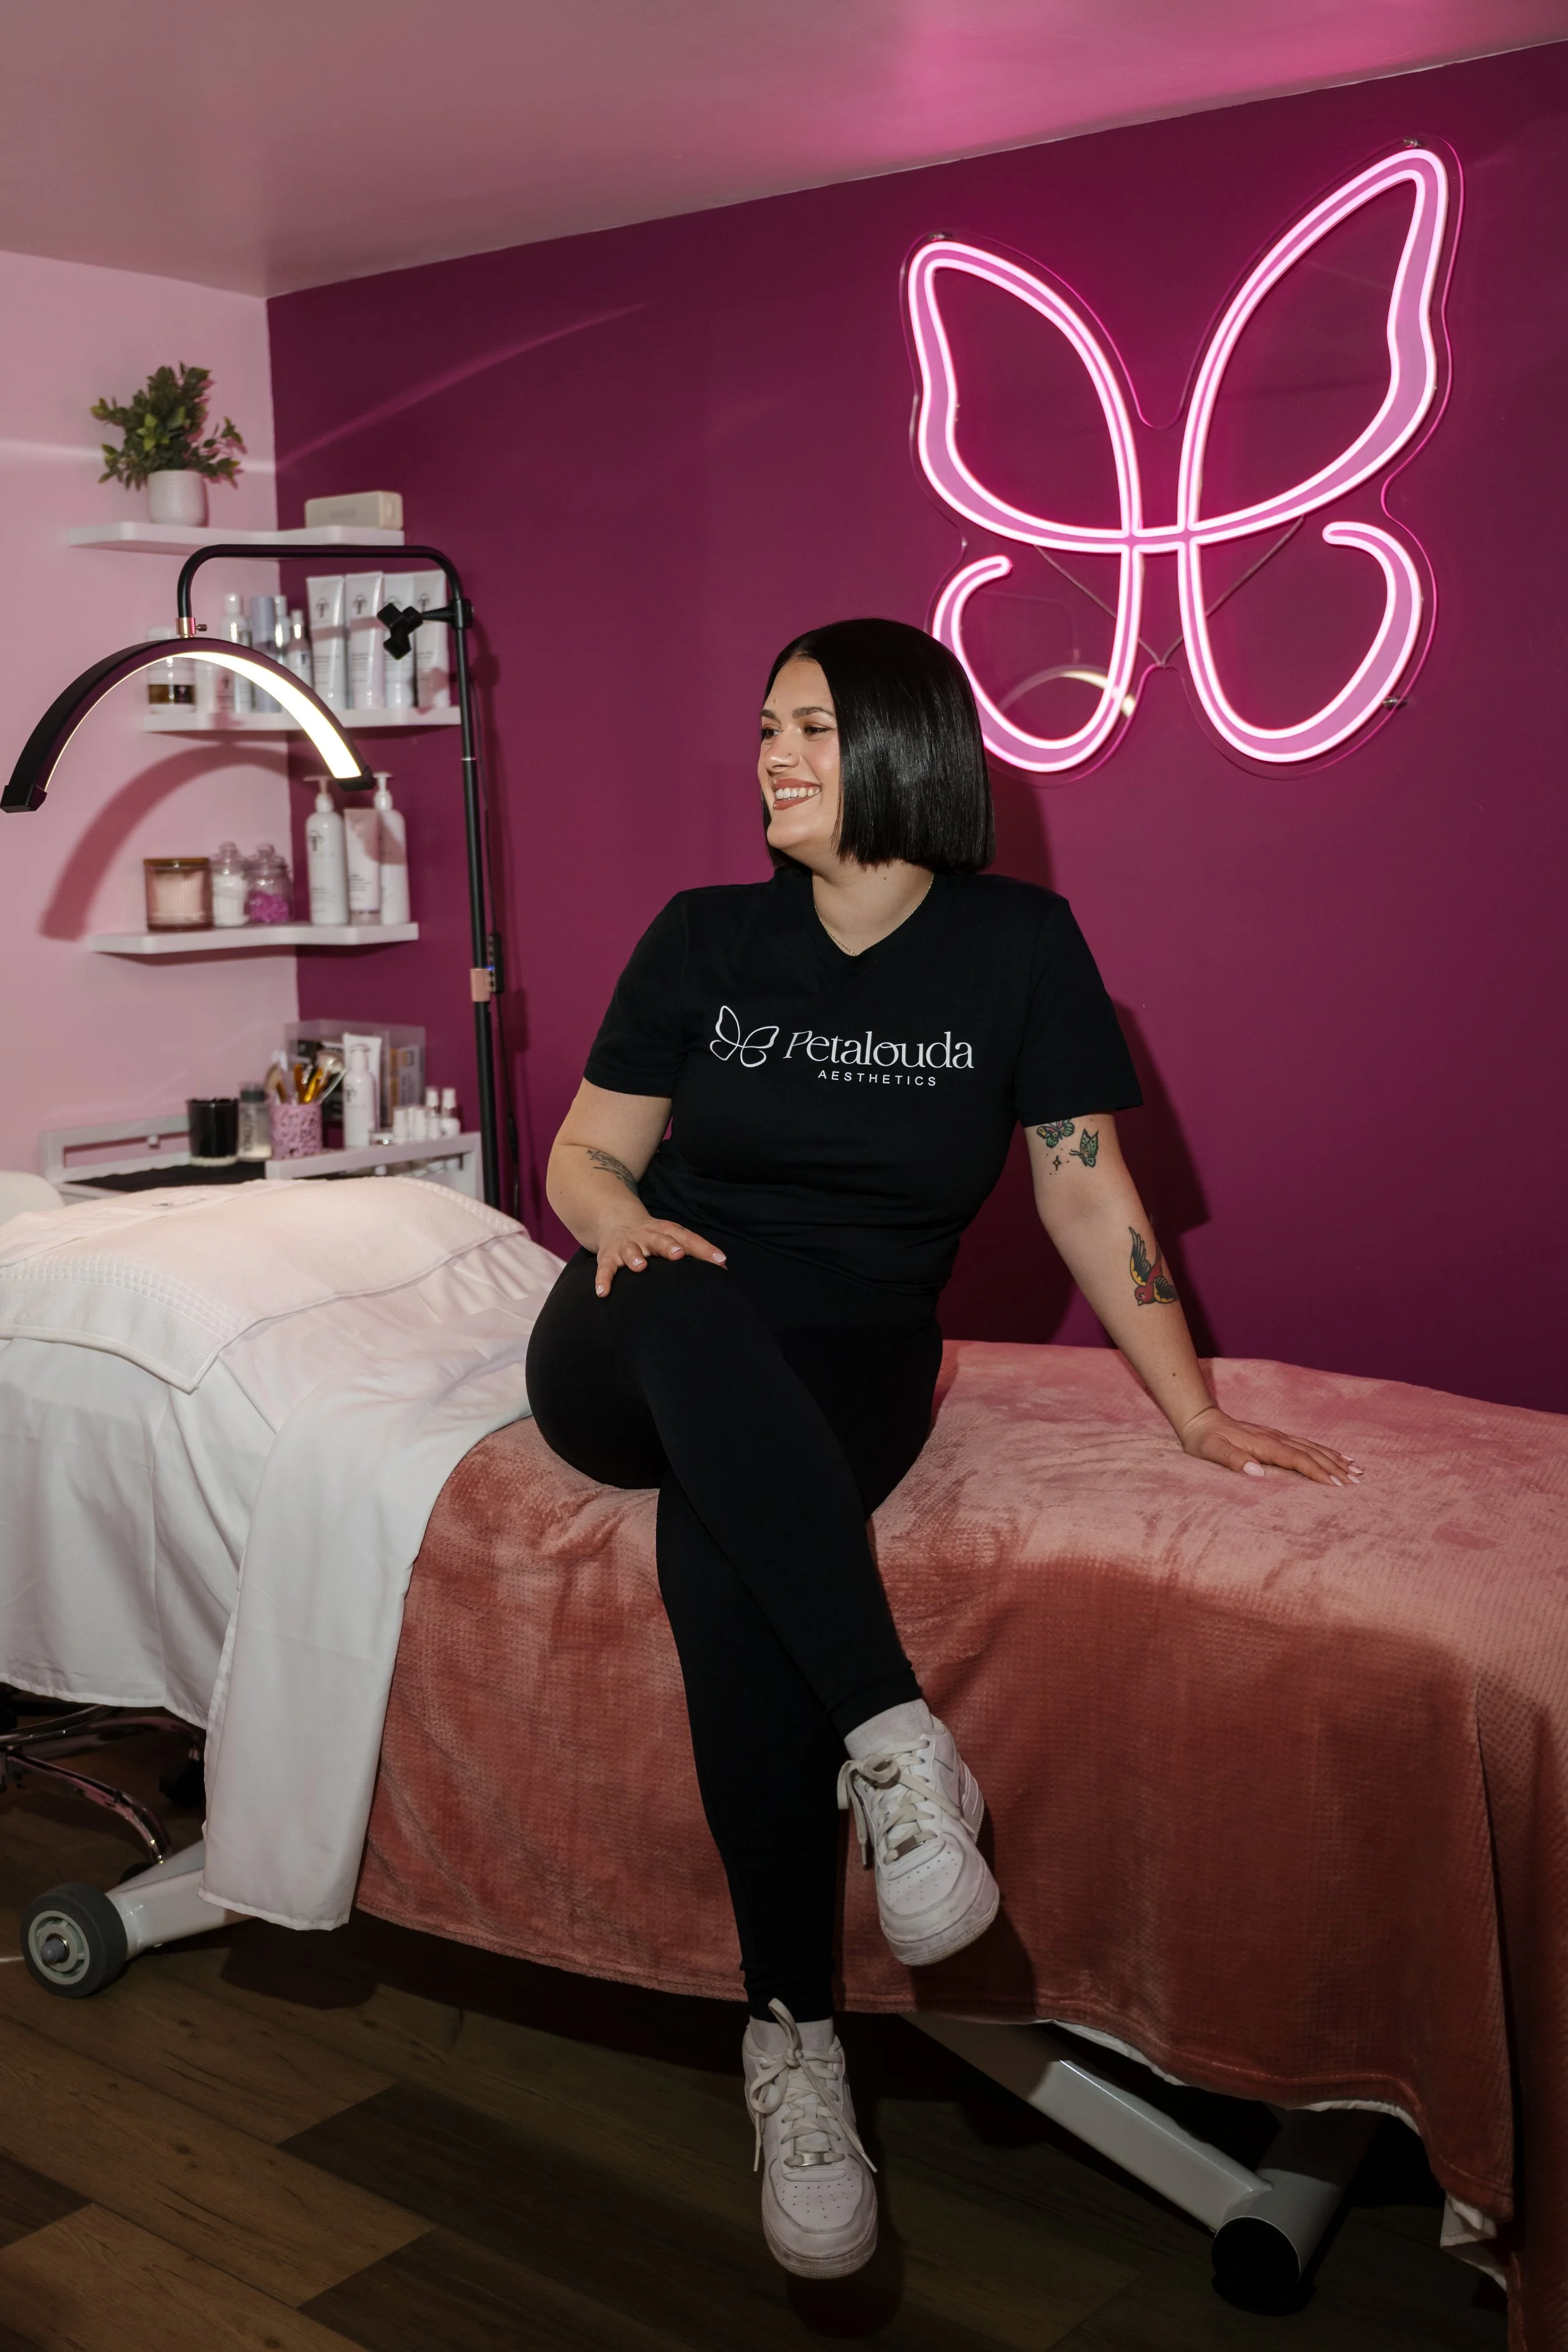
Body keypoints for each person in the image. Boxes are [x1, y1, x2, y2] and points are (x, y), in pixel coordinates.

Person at [526, 617, 1359, 2281]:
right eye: (769, 726)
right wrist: (620, 1221)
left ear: (907, 748)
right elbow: (583, 1158)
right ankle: (897, 1741)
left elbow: (1084, 1190)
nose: (774, 756)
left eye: (813, 729)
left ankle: (790, 2039)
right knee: (688, 1297)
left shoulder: (1017, 948)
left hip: (849, 1353)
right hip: (636, 1331)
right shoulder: (702, 935)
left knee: (726, 1547)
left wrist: (1190, 1409)